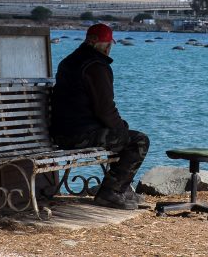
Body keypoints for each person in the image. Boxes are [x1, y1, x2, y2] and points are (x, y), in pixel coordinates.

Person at [50, 23, 149, 210]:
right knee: (139, 141)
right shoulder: (96, 67)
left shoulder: (68, 61)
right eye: (107, 44)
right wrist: (121, 128)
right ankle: (111, 192)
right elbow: (105, 110)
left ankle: (121, 187)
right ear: (105, 45)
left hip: (61, 132)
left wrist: (118, 128)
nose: (108, 48)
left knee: (121, 135)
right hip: (79, 135)